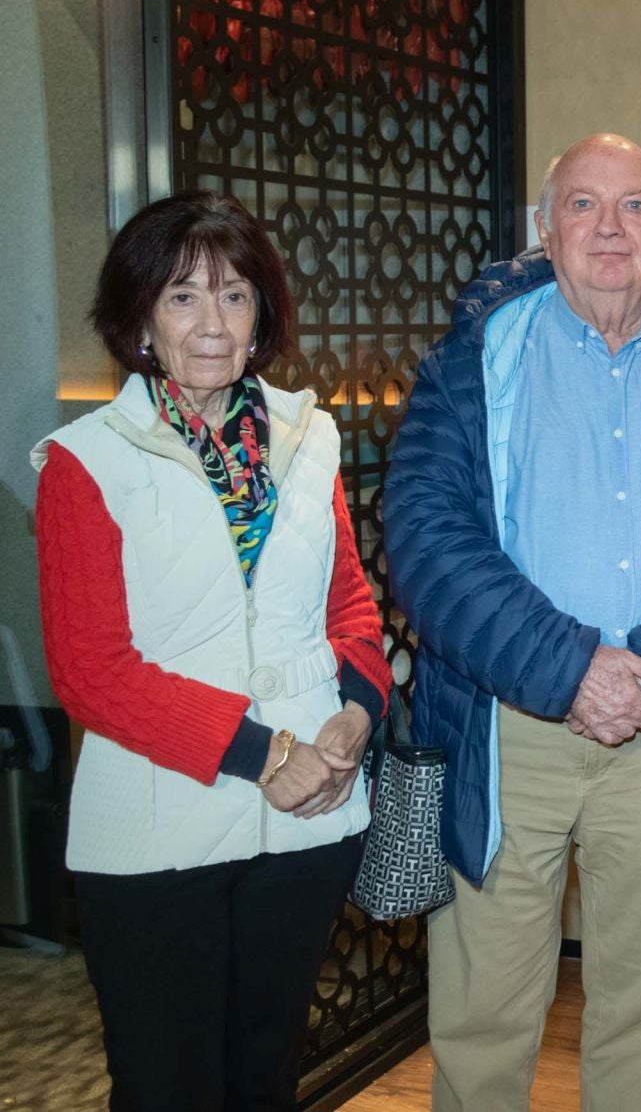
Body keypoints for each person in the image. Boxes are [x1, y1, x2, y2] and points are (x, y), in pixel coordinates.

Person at [383, 132, 641, 1111]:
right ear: (544, 226)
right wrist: (572, 668)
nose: (608, 228)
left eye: (632, 206)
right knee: (484, 1011)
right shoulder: (474, 355)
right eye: (583, 204)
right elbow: (427, 539)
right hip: (504, 730)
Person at [32, 192, 391, 1109]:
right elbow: (89, 670)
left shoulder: (311, 437)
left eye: (234, 297)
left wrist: (355, 715)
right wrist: (262, 751)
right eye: (183, 296)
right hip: (158, 831)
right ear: (140, 316)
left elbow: (349, 600)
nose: (211, 323)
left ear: (262, 313)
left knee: (266, 1078)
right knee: (167, 1088)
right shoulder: (88, 461)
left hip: (308, 817)